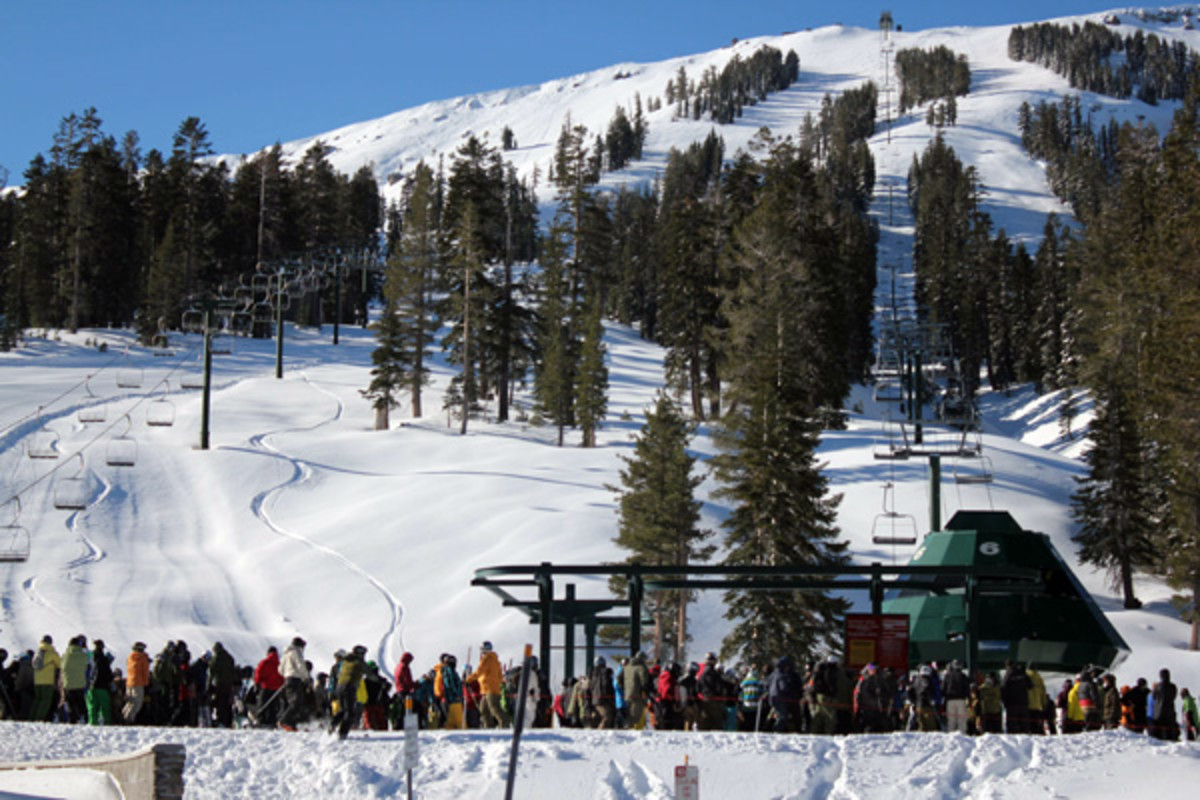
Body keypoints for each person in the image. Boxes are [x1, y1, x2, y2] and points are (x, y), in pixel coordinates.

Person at [330, 645, 367, 739]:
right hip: (349, 687)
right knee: (350, 712)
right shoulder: (358, 662)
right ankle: (342, 733)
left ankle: (333, 724)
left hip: (340, 687)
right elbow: (369, 672)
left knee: (343, 710)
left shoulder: (345, 660)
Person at [467, 641, 507, 729]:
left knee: (494, 708)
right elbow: (500, 675)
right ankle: (489, 727)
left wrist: (468, 680)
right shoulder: (495, 660)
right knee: (484, 709)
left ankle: (504, 725)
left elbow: (479, 672)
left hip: (490, 689)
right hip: (488, 689)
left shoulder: (487, 659)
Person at [278, 637, 310, 731]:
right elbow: (300, 665)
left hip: (287, 679)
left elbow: (280, 669)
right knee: (297, 702)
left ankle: (291, 724)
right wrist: (306, 677)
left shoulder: (286, 654)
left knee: (292, 702)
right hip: (295, 679)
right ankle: (284, 721)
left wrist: (286, 674)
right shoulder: (296, 652)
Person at [60, 635, 90, 724]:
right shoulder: (83, 655)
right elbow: (87, 666)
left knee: (70, 703)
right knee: (81, 702)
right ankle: (85, 718)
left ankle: (72, 719)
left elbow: (61, 667)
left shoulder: (65, 656)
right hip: (80, 683)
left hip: (68, 683)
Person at [769, 656, 803, 733]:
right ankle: (777, 730)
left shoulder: (773, 674)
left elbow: (767, 685)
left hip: (773, 697)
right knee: (783, 716)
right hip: (782, 698)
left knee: (780, 715)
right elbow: (784, 687)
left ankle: (778, 729)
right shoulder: (784, 675)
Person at [31, 635, 62, 722]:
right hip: (47, 680)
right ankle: (39, 717)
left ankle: (32, 717)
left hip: (37, 681)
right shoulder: (51, 652)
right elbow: (59, 664)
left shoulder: (37, 652)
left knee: (37, 700)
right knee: (46, 700)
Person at [208, 643, 237, 728]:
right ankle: (227, 721)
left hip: (219, 684)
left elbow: (211, 671)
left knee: (219, 703)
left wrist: (209, 684)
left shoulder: (216, 657)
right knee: (227, 704)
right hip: (229, 685)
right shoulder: (229, 657)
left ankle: (220, 720)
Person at [86, 639, 114, 725]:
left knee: (92, 706)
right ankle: (106, 723)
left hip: (91, 686)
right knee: (105, 707)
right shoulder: (104, 659)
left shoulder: (90, 657)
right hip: (102, 687)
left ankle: (92, 722)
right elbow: (108, 674)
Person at [1000, 661, 1032, 734]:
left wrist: (1004, 702)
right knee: (1024, 726)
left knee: (1012, 726)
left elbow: (1003, 689)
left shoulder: (1008, 674)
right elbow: (1030, 685)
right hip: (1024, 703)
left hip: (1012, 704)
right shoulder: (1023, 673)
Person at [622, 652, 651, 730]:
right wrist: (646, 693)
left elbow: (620, 679)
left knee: (629, 714)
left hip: (627, 694)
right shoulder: (641, 668)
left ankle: (627, 730)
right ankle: (632, 734)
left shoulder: (627, 667)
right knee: (636, 717)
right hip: (637, 695)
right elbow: (644, 682)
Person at [434, 653, 464, 730]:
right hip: (451, 698)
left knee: (449, 718)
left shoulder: (441, 670)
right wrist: (456, 694)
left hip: (445, 698)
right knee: (455, 718)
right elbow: (450, 683)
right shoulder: (448, 671)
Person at [123, 642, 150, 724]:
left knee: (130, 702)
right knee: (137, 703)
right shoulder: (142, 658)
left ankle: (124, 716)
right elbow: (144, 672)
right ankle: (129, 719)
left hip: (129, 682)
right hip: (138, 683)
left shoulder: (130, 658)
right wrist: (146, 683)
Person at [942, 660, 971, 734]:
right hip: (961, 699)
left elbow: (943, 688)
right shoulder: (963, 676)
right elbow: (967, 688)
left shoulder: (948, 676)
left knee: (951, 720)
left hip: (950, 700)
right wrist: (969, 699)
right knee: (961, 719)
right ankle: (962, 734)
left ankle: (950, 735)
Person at [1151, 668, 1179, 741]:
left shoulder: (1157, 686)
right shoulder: (1173, 686)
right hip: (1170, 711)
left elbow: (1154, 697)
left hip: (1159, 712)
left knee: (1159, 733)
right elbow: (1174, 696)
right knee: (1170, 731)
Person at [590, 656, 616, 729]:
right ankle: (600, 733)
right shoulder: (605, 673)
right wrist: (611, 699)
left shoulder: (592, 674)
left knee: (598, 718)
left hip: (595, 699)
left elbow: (591, 687)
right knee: (608, 716)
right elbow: (606, 686)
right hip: (603, 699)